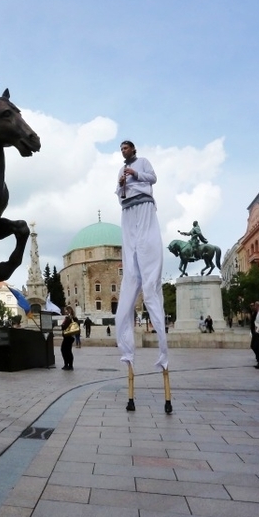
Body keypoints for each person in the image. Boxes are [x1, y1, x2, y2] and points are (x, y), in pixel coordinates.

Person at [115, 140, 169, 372]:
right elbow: (119, 193)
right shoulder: (121, 170)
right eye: (121, 149)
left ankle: (163, 349)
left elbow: (153, 178)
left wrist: (135, 173)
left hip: (144, 207)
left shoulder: (143, 162)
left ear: (133, 149)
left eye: (126, 148)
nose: (123, 152)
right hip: (128, 209)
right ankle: (126, 351)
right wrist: (121, 184)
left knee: (148, 264)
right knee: (131, 270)